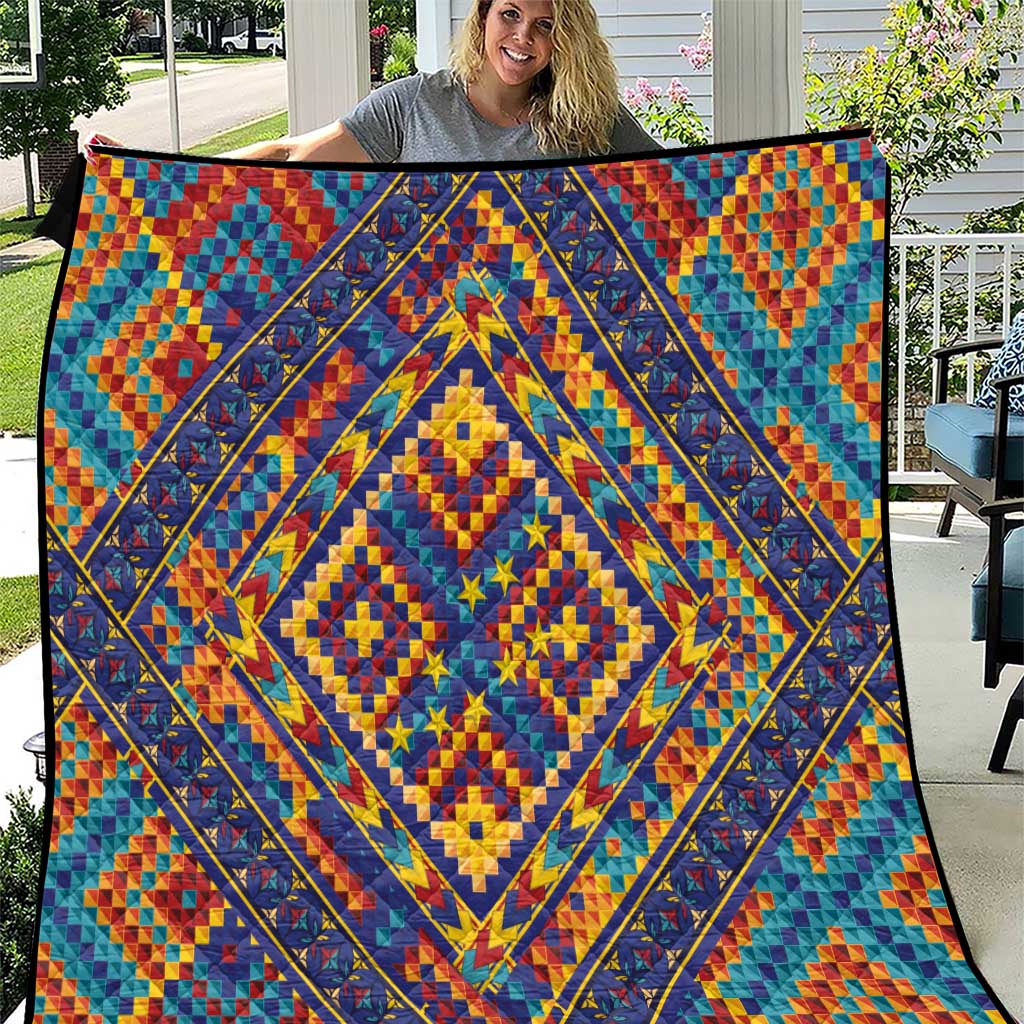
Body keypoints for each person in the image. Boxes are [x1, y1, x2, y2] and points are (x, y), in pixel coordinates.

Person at [86, 0, 661, 166]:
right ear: (483, 16)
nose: (522, 37)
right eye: (510, 14)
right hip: (426, 343)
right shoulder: (415, 104)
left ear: (564, 39)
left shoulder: (588, 115)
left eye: (545, 25)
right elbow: (292, 153)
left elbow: (682, 192)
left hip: (551, 351)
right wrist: (150, 162)